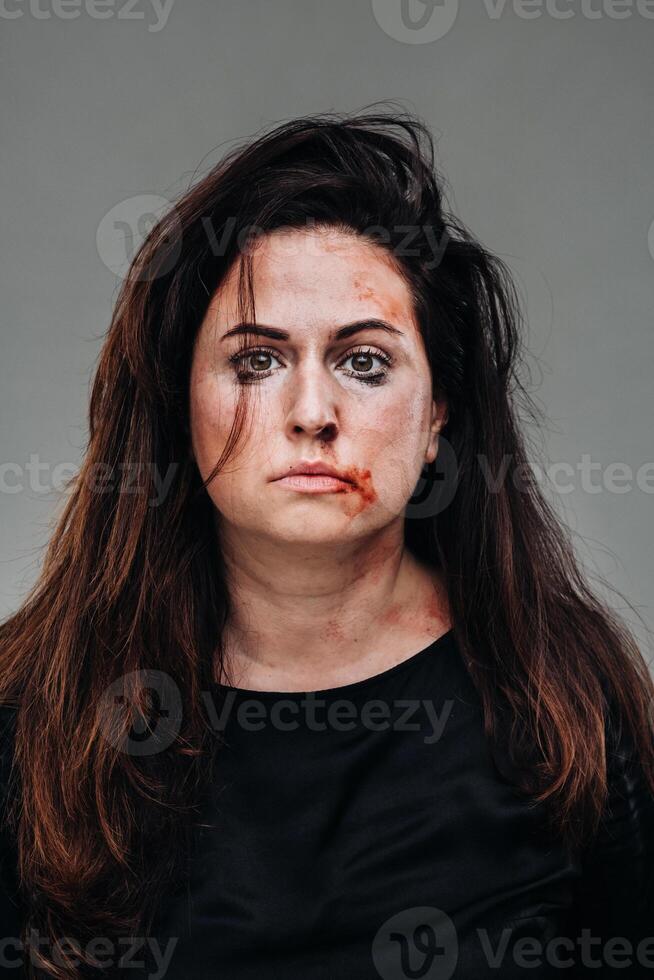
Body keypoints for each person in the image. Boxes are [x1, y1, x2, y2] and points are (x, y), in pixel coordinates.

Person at [1, 106, 653, 979]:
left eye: (365, 362)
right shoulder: (36, 711)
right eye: (257, 362)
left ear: (438, 417)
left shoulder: (559, 690)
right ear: (178, 405)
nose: (312, 414)